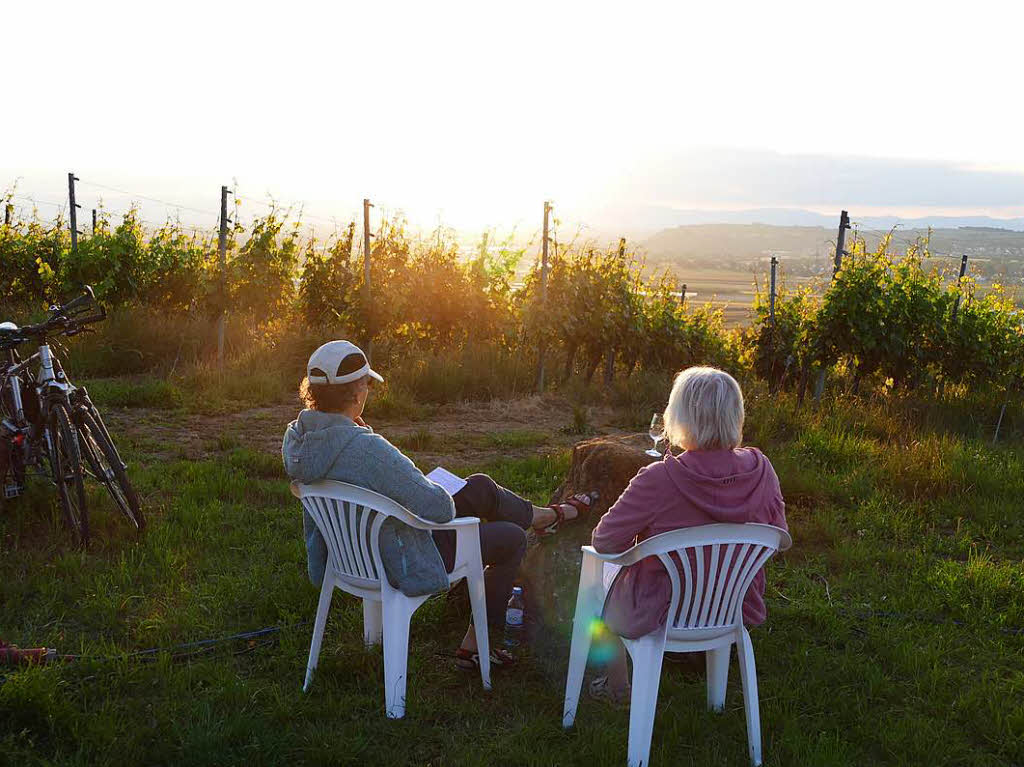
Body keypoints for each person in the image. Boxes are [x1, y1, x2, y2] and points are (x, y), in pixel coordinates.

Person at [282, 340, 597, 671]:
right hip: (399, 555)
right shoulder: (367, 449)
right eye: (366, 385)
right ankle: (477, 645)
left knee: (479, 487)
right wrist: (414, 475)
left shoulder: (299, 441)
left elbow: (358, 474)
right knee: (510, 538)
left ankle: (542, 517)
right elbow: (439, 510)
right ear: (358, 391)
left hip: (351, 554)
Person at [588, 366, 787, 703]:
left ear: (678, 415)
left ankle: (616, 685)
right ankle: (714, 693)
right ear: (735, 415)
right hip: (730, 606)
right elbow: (778, 535)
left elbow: (604, 542)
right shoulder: (762, 470)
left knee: (595, 573)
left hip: (662, 609)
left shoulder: (658, 478)